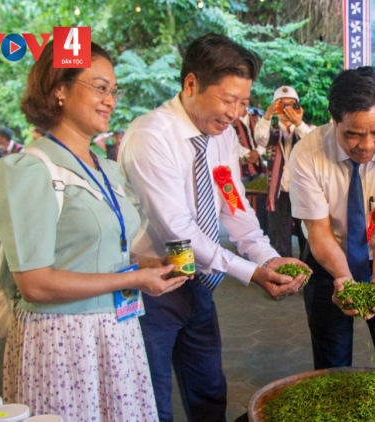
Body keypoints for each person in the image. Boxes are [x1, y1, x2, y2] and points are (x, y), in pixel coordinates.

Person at [0, 41, 187, 421]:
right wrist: (133, 279)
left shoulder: (105, 168)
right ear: (59, 90)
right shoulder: (32, 169)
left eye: (113, 90)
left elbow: (96, 250)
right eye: (99, 87)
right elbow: (35, 284)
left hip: (117, 331)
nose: (110, 100)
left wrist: (145, 264)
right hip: (63, 340)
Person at [119, 34, 308, 422]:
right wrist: (250, 272)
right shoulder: (150, 136)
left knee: (208, 392)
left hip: (199, 282)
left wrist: (268, 258)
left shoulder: (221, 137)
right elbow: (178, 231)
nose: (235, 114)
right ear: (191, 84)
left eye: (243, 102)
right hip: (150, 286)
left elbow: (234, 205)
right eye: (228, 100)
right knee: (151, 398)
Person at [289, 66, 375, 370]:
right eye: (353, 134)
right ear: (334, 120)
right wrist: (343, 278)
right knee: (332, 362)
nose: (367, 145)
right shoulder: (307, 154)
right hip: (328, 259)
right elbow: (319, 230)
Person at [255, 86, 315, 258]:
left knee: (308, 238)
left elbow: (313, 145)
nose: (286, 109)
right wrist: (267, 117)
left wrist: (298, 123)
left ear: (298, 108)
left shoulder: (308, 129)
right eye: (281, 104)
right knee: (279, 240)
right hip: (278, 192)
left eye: (291, 105)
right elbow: (260, 138)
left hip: (303, 193)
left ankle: (308, 270)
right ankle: (283, 270)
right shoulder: (270, 130)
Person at [232, 100, 268, 233]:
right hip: (239, 169)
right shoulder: (229, 120)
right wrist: (248, 154)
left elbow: (266, 137)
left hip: (259, 166)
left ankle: (262, 232)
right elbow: (229, 142)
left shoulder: (257, 117)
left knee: (261, 201)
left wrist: (257, 152)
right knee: (239, 202)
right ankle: (244, 233)